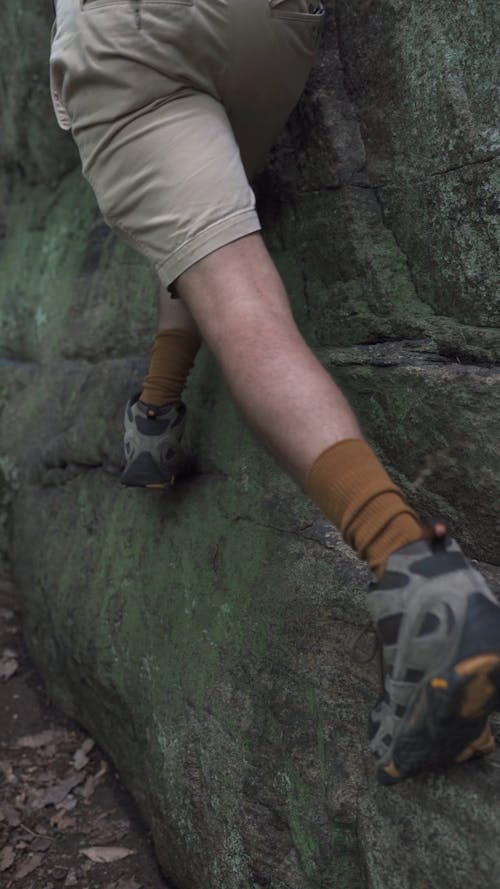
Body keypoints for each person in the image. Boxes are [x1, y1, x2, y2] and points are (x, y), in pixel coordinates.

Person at [49, 0, 500, 784]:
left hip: (130, 29)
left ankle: (417, 579)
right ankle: (156, 412)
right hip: (270, 27)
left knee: (236, 294)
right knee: (202, 232)